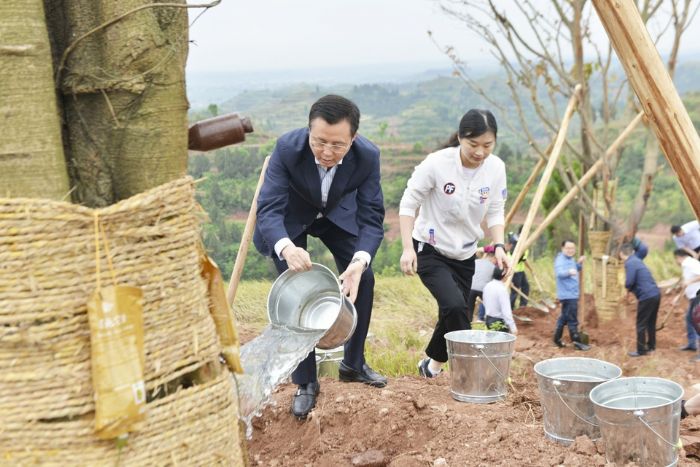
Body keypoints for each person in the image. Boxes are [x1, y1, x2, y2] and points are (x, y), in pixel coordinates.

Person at [253, 95, 386, 419]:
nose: (327, 152)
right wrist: (286, 246)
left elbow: (371, 218)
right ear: (309, 131)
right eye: (320, 142)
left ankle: (353, 365)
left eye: (337, 145)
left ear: (352, 138)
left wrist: (358, 263)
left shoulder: (367, 156)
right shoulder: (287, 148)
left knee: (363, 278)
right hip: (291, 219)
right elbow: (269, 209)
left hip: (337, 215)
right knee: (296, 290)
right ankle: (306, 382)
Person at [398, 109, 510, 379]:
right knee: (456, 308)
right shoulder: (437, 164)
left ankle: (432, 367)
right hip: (430, 249)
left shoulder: (496, 169)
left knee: (453, 309)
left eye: (487, 145)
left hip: (466, 254)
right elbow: (408, 203)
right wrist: (406, 248)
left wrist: (499, 246)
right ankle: (468, 373)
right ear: (460, 138)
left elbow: (495, 211)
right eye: (473, 144)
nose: (480, 152)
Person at [619, 243, 660, 357]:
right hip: (655, 294)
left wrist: (627, 289)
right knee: (650, 322)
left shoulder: (630, 263)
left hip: (646, 296)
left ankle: (641, 350)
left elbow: (629, 281)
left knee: (641, 324)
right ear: (632, 252)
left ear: (621, 254)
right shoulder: (637, 260)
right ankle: (651, 346)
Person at [553, 240, 591, 351]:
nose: (570, 250)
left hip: (571, 293)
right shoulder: (561, 260)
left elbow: (575, 269)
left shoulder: (570, 259)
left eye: (572, 248)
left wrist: (579, 264)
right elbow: (559, 273)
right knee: (572, 319)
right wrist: (569, 272)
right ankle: (577, 342)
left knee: (564, 317)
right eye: (568, 248)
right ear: (562, 248)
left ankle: (556, 339)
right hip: (568, 294)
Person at [672, 249, 700, 357]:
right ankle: (692, 344)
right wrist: (678, 297)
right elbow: (686, 284)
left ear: (678, 257)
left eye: (675, 259)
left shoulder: (689, 264)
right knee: (689, 319)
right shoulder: (687, 265)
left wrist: (689, 281)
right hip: (693, 297)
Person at [466, 245, 497, 322]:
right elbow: (492, 283)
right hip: (483, 289)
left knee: (469, 309)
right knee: (490, 306)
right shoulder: (493, 267)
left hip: (471, 288)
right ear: (493, 257)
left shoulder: (476, 262)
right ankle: (489, 321)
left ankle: (467, 324)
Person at [483, 267, 518, 334]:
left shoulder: (487, 285)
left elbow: (484, 302)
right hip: (499, 322)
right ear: (504, 275)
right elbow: (506, 312)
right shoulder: (502, 290)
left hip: (488, 319)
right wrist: (513, 328)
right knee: (501, 343)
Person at [507, 234, 530, 309]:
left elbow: (524, 260)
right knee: (514, 291)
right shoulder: (517, 246)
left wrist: (531, 269)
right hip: (515, 272)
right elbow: (521, 259)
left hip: (521, 271)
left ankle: (523, 305)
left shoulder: (524, 247)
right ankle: (510, 308)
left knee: (526, 286)